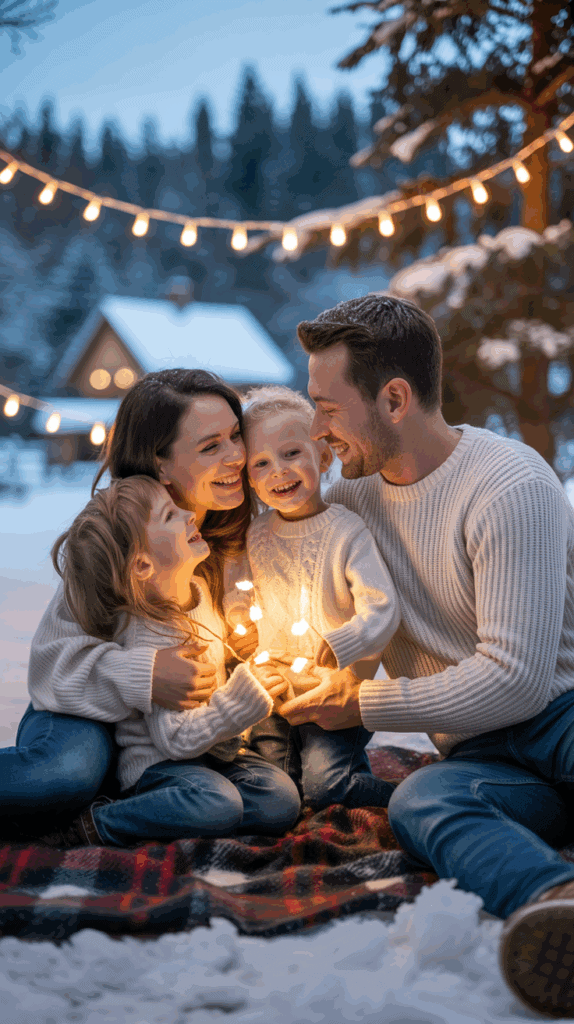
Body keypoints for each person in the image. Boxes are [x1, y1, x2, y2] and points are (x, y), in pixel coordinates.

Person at [277, 294, 574, 1019]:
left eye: (327, 408)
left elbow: (516, 682)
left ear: (395, 398)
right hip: (483, 755)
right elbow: (358, 629)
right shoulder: (353, 501)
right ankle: (554, 905)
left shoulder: (510, 485)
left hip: (559, 714)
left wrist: (360, 702)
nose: (317, 431)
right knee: (420, 801)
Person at [2, 369, 256, 837]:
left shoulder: (240, 538)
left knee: (263, 797)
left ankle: (130, 804)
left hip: (177, 737)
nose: (236, 456)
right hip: (86, 711)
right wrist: (146, 674)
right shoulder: (121, 540)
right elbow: (49, 667)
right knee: (69, 773)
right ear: (160, 464)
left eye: (235, 436)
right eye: (210, 446)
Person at [39, 475, 299, 848]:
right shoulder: (152, 633)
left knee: (280, 801)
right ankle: (100, 823)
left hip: (213, 754)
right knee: (217, 803)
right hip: (162, 767)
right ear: (142, 566)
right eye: (169, 516)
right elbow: (176, 739)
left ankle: (179, 816)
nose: (188, 515)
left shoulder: (198, 593)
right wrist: (238, 705)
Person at [238, 385, 399, 810]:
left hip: (334, 695)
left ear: (322, 457)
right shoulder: (255, 535)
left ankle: (401, 796)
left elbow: (383, 607)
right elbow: (241, 597)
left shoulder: (345, 532)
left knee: (327, 787)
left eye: (292, 454)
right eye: (262, 463)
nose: (279, 471)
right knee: (276, 785)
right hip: (274, 693)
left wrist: (342, 643)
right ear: (249, 478)